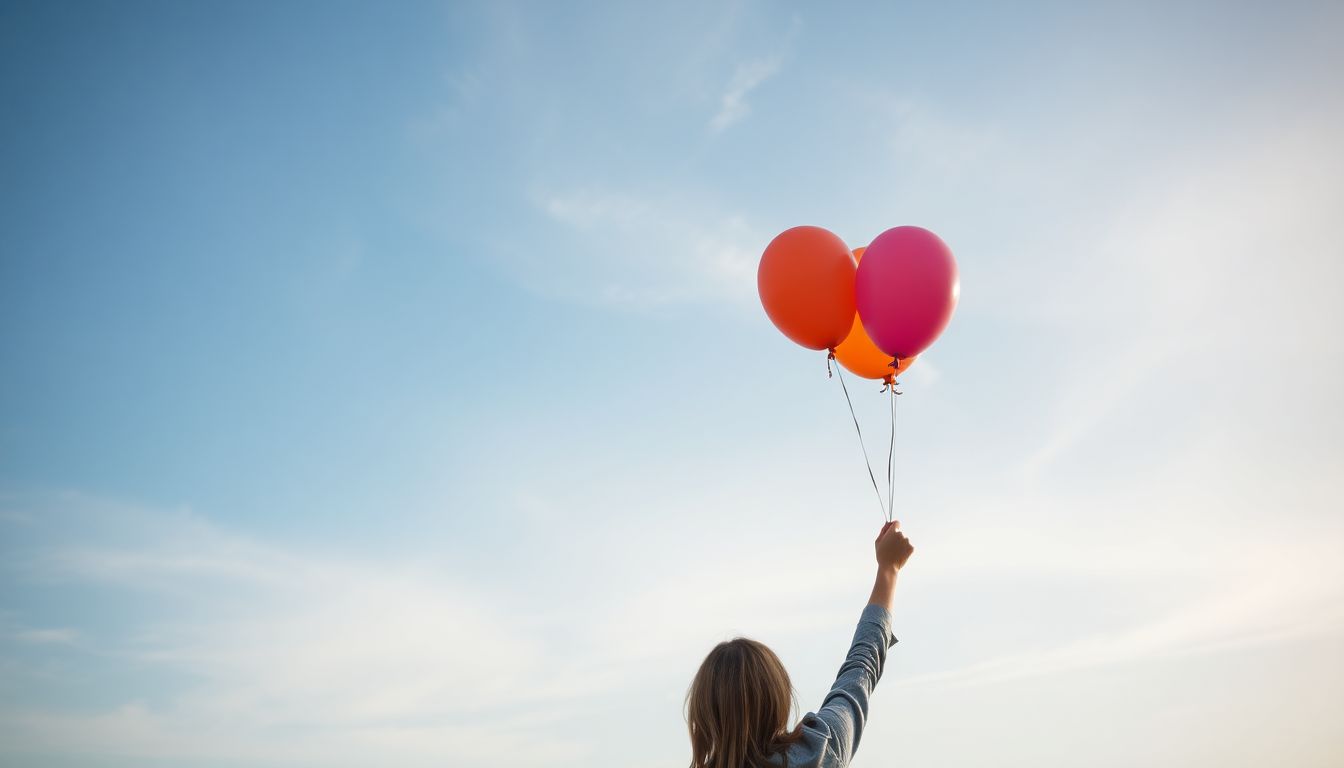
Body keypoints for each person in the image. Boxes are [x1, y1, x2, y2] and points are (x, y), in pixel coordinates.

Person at [685, 520, 914, 768]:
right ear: (778, 696)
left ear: (703, 715)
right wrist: (888, 569)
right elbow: (861, 667)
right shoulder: (818, 751)